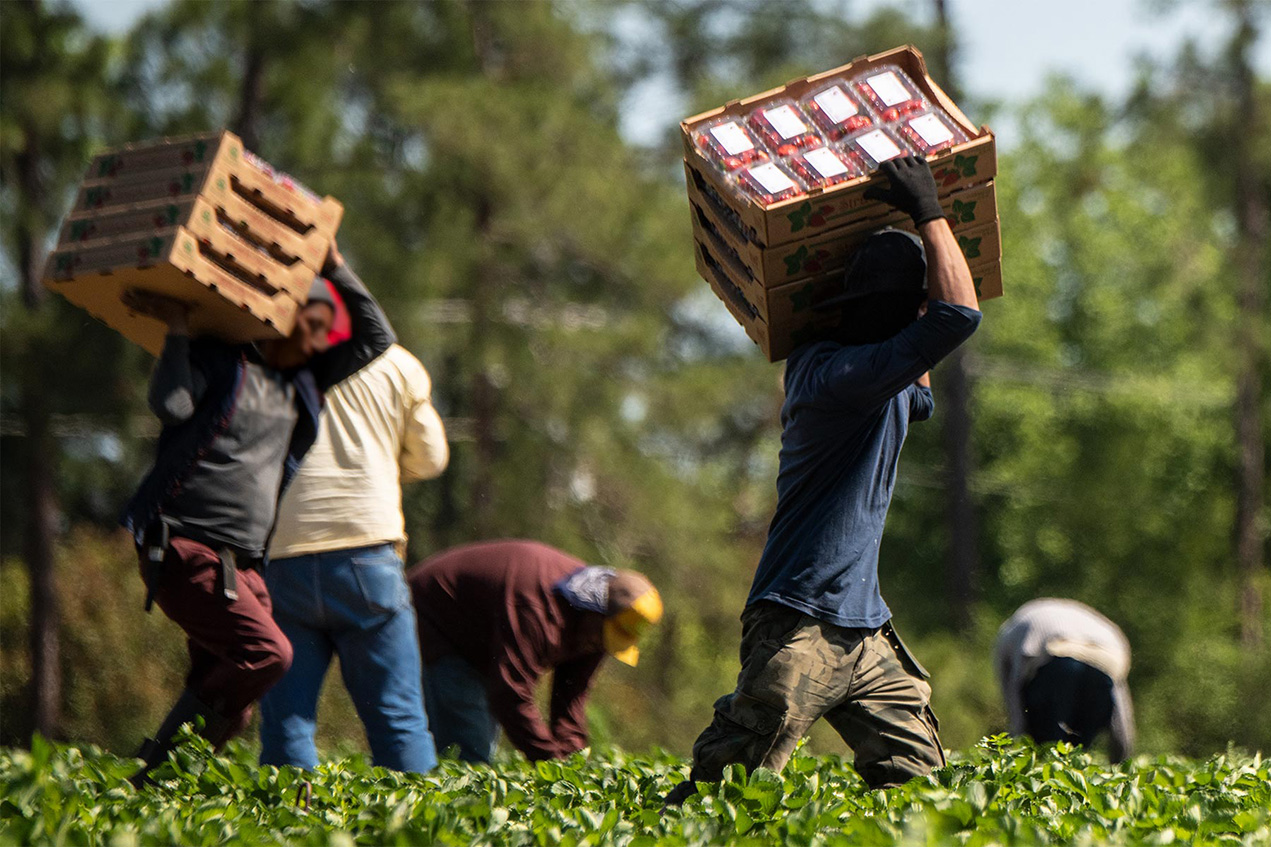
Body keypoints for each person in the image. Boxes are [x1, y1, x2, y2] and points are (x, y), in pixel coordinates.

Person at [664, 156, 982, 805]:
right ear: (898, 312)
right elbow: (958, 317)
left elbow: (926, 372)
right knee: (726, 794)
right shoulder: (835, 376)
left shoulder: (882, 377)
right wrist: (927, 210)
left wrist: (919, 283)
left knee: (922, 790)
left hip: (864, 630)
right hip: (798, 624)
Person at [119, 240, 394, 784]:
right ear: (276, 321)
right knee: (268, 654)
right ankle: (153, 778)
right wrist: (178, 329)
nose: (315, 341)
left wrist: (335, 264)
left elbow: (376, 336)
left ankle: (154, 791)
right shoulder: (222, 361)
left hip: (242, 567)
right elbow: (170, 405)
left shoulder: (304, 386)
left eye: (323, 334)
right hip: (184, 549)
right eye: (307, 326)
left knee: (233, 702)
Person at [258, 341, 449, 773]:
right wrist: (383, 466)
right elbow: (432, 458)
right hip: (367, 553)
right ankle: (413, 814)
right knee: (398, 720)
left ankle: (290, 812)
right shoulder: (396, 362)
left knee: (287, 724)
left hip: (285, 552)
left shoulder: (267, 355)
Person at [406, 540, 662, 763]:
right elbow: (509, 693)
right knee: (470, 751)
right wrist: (549, 761)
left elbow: (570, 700)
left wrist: (572, 766)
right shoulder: (538, 608)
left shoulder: (593, 629)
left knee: (479, 743)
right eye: (603, 636)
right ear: (595, 609)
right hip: (434, 619)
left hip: (481, 645)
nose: (600, 645)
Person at [994, 598, 1135, 762]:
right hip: (1105, 659)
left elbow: (1013, 685)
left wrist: (1018, 732)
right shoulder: (1100, 627)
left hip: (1057, 659)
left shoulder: (1010, 630)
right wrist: (1122, 755)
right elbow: (1119, 704)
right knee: (1078, 751)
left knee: (1047, 746)